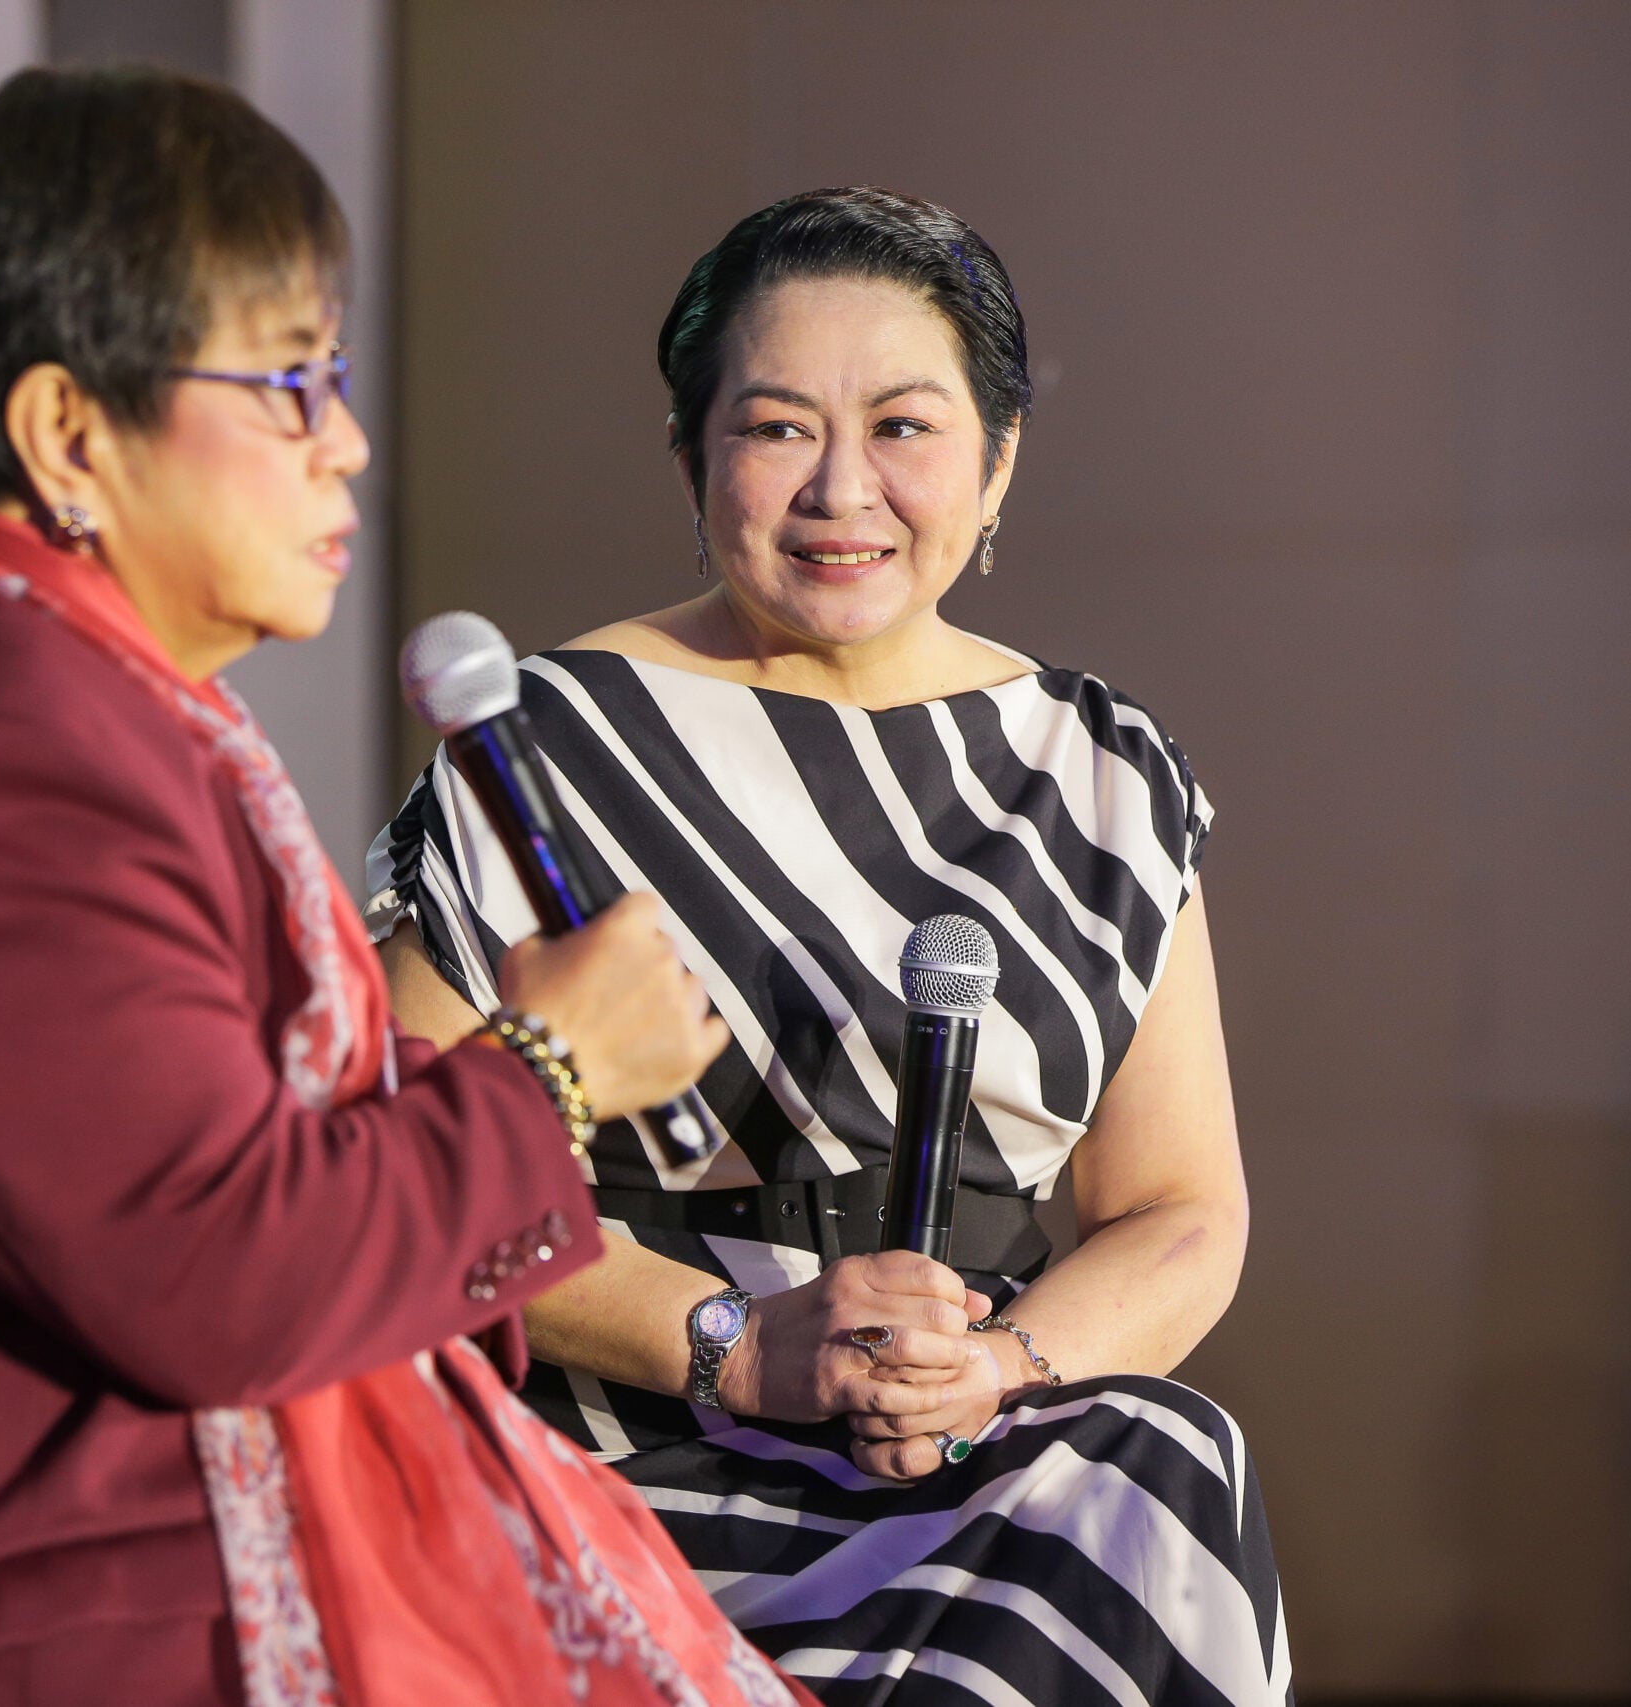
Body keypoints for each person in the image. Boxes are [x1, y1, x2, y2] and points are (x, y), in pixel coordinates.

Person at [0, 68, 813, 1707]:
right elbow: (218, 1277)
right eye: (291, 384)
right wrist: (553, 1071)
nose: (348, 443)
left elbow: (186, 1175)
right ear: (68, 433)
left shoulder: (47, 688)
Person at [374, 188, 1293, 1704]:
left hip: (964, 1442)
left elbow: (1180, 1209)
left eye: (905, 427)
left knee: (1162, 1463)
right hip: (622, 1440)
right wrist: (734, 1344)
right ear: (694, 457)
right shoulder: (550, 745)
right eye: (778, 427)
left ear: (999, 462)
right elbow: (395, 1183)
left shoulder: (1102, 773)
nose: (842, 489)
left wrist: (996, 1367)